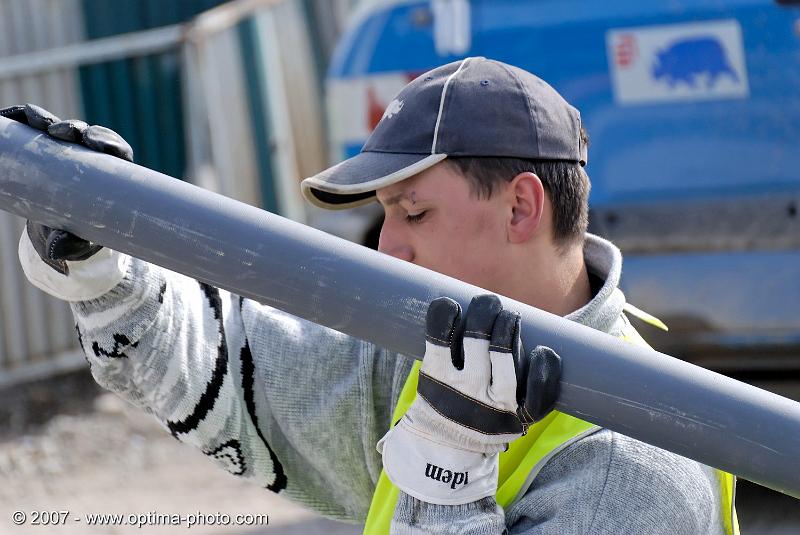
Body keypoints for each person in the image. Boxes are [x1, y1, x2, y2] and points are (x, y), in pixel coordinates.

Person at [7, 56, 737, 534]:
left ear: (521, 207)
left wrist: (446, 475)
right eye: (383, 214)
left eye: (414, 212)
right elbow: (231, 376)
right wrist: (105, 264)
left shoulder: (631, 473)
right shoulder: (432, 362)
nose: (387, 247)